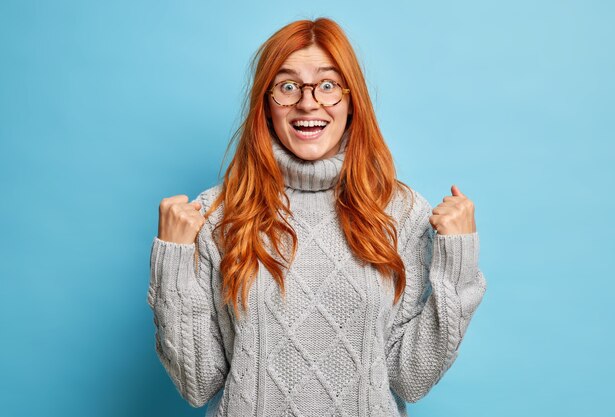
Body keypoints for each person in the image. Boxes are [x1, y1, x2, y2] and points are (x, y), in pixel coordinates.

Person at [148, 17, 487, 417]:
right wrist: (171, 258)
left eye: (327, 86)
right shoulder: (217, 214)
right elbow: (198, 383)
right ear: (266, 104)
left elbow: (410, 378)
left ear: (351, 101)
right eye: (287, 86)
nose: (308, 103)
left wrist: (458, 263)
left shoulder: (400, 211)